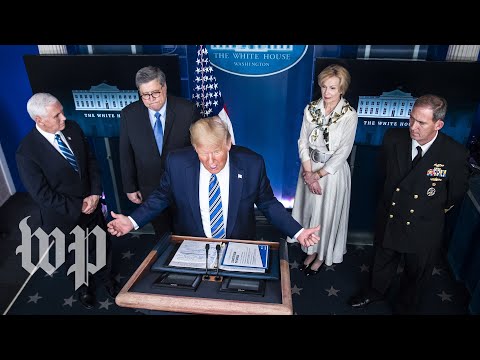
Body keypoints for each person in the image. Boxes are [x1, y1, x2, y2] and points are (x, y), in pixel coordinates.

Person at [108, 116, 320, 248]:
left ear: (228, 143)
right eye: (203, 153)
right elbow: (161, 196)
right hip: (193, 244)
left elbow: (268, 203)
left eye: (216, 152)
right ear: (194, 148)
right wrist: (132, 221)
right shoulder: (177, 163)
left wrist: (298, 232)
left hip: (238, 244)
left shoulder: (251, 164)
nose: (210, 161)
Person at [348, 94, 470, 314]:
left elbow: (456, 193)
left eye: (421, 122)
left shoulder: (454, 153)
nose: (413, 126)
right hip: (392, 214)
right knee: (382, 261)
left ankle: (405, 306)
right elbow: (384, 174)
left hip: (423, 225)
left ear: (438, 124)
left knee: (417, 273)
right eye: (411, 119)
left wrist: (429, 210)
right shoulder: (393, 138)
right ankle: (375, 292)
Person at [16, 93, 120, 309]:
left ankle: (107, 279)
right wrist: (78, 206)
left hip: (92, 205)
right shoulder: (26, 152)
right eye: (57, 115)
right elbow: (41, 193)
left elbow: (91, 162)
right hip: (63, 216)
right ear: (39, 120)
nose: (64, 117)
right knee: (74, 255)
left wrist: (94, 193)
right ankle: (83, 289)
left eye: (62, 111)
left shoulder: (72, 128)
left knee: (100, 244)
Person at [287, 64, 358, 276]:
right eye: (324, 87)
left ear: (342, 89)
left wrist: (317, 176)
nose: (327, 93)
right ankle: (310, 249)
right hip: (309, 169)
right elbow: (302, 142)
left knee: (326, 214)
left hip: (331, 174)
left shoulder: (349, 115)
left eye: (333, 88)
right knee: (310, 212)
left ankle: (321, 255)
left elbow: (343, 152)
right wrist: (309, 174)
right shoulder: (311, 109)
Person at [120, 65, 201, 237]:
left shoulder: (187, 110)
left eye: (155, 93)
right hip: (150, 188)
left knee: (188, 233)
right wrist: (130, 186)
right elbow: (125, 153)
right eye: (145, 95)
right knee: (162, 235)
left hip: (185, 186)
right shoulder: (129, 114)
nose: (150, 99)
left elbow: (198, 148)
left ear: (164, 87)